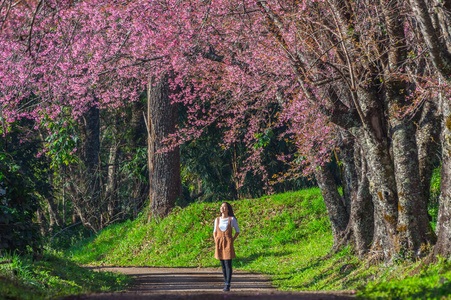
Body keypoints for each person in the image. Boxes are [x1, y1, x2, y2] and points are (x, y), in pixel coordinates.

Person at [213, 202, 240, 292]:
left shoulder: (232, 219)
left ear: (228, 209)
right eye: (221, 207)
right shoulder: (217, 219)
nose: (222, 208)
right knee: (222, 264)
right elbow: (215, 231)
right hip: (219, 243)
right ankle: (225, 282)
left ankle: (227, 284)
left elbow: (237, 231)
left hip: (228, 243)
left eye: (224, 207)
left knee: (228, 263)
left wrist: (232, 239)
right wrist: (216, 239)